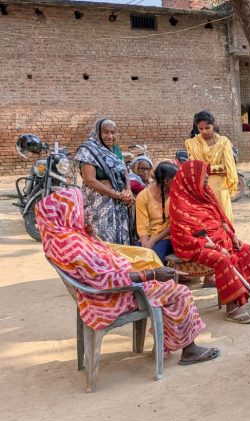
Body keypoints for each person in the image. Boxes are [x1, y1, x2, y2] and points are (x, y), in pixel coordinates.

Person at [37, 188, 219, 365]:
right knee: (180, 292)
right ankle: (189, 350)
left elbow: (97, 267)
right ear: (66, 211)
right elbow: (105, 280)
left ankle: (163, 345)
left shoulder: (58, 238)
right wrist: (152, 274)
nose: (85, 210)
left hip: (98, 293)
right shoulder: (74, 244)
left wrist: (92, 236)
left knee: (162, 279)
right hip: (110, 298)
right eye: (80, 207)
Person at [169, 160, 250, 324]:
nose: (206, 177)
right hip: (196, 245)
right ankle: (232, 308)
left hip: (219, 238)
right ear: (191, 179)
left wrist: (232, 235)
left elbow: (221, 218)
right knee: (221, 259)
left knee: (248, 250)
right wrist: (215, 246)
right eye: (203, 175)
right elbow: (184, 236)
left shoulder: (206, 193)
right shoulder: (179, 202)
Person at [75, 118, 134, 245]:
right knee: (102, 242)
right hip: (99, 205)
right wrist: (117, 194)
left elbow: (124, 171)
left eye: (113, 132)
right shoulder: (88, 151)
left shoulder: (115, 149)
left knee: (120, 242)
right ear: (97, 133)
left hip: (119, 203)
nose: (110, 136)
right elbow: (90, 180)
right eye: (105, 132)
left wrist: (128, 191)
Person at [185, 111, 239, 222]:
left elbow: (227, 169)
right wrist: (212, 169)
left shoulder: (223, 142)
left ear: (213, 125)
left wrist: (205, 169)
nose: (204, 131)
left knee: (224, 220)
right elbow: (193, 168)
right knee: (206, 222)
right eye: (201, 129)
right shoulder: (192, 143)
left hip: (220, 188)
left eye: (207, 128)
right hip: (201, 188)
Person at [135, 162, 178, 262]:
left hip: (170, 236)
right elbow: (142, 227)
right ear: (166, 181)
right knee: (142, 258)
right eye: (175, 180)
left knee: (154, 258)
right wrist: (146, 245)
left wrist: (153, 241)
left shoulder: (175, 195)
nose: (178, 183)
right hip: (151, 238)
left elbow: (173, 225)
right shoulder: (143, 196)